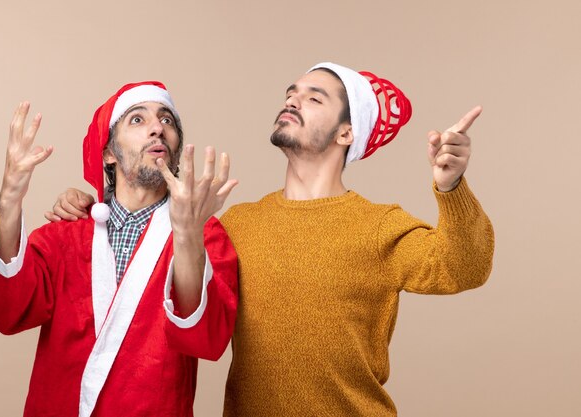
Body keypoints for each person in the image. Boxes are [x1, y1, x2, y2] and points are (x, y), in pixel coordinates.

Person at [49, 63, 495, 416]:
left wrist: (451, 188)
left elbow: (463, 266)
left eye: (314, 98)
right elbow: (149, 266)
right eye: (291, 94)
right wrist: (94, 208)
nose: (293, 101)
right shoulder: (235, 226)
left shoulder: (379, 226)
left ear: (346, 132)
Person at [0, 81, 239, 417]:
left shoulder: (205, 234)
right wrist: (10, 196)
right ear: (109, 152)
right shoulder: (66, 233)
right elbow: (7, 307)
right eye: (137, 120)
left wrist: (187, 234)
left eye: (167, 120)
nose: (158, 128)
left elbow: (204, 335)